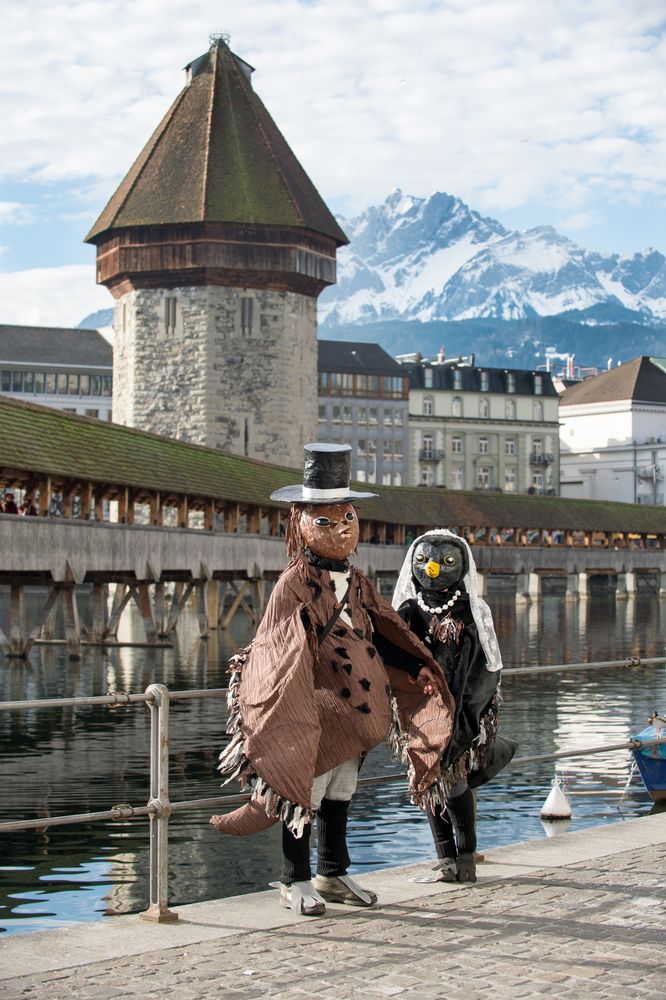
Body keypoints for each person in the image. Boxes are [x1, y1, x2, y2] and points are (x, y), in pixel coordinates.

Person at [211, 444, 454, 916]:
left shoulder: (357, 581)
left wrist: (414, 669)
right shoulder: (294, 584)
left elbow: (379, 637)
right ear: (299, 522)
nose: (340, 530)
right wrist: (289, 714)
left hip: (355, 715)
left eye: (348, 518)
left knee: (342, 793)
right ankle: (294, 879)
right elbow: (278, 653)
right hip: (312, 711)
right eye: (325, 522)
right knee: (303, 793)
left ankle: (333, 871)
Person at [392, 529, 516, 884]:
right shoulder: (410, 609)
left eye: (446, 562)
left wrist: (465, 713)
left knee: (456, 781)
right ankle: (444, 856)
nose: (433, 569)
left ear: (461, 565)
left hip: (461, 709)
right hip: (419, 711)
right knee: (429, 781)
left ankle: (465, 856)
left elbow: (484, 666)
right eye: (425, 561)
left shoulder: (471, 611)